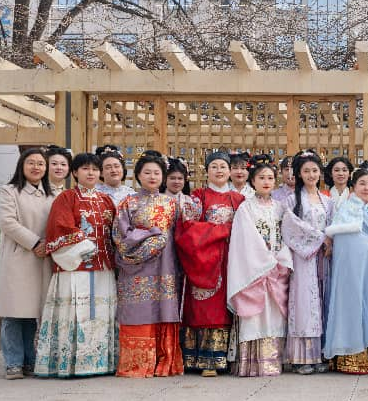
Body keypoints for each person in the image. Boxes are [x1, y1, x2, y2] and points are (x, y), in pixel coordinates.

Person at [35, 152, 118, 377]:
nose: (91, 173)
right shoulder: (66, 198)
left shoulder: (106, 200)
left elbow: (115, 232)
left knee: (101, 314)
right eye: (85, 169)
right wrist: (85, 244)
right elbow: (59, 227)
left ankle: (101, 362)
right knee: (73, 313)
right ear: (74, 172)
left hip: (103, 267)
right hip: (74, 265)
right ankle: (68, 363)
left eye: (95, 169)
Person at [112, 150, 183, 378]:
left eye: (157, 173)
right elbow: (120, 236)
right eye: (147, 172)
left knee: (164, 309)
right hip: (136, 267)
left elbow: (180, 236)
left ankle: (164, 362)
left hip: (166, 266)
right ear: (138, 175)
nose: (152, 177)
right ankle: (137, 364)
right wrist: (152, 237)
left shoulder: (172, 204)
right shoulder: (128, 203)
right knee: (137, 310)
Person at [175, 150, 245, 377]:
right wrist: (222, 231)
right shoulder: (198, 196)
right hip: (204, 258)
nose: (219, 171)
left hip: (230, 259)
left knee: (226, 306)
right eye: (214, 166)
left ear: (230, 171)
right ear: (207, 171)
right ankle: (198, 359)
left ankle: (221, 357)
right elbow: (188, 227)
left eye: (223, 167)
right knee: (202, 306)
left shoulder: (239, 199)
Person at [323, 163, 368, 374]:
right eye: (362, 183)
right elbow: (343, 243)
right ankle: (349, 352)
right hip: (351, 269)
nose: (366, 188)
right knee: (351, 304)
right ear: (353, 187)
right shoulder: (346, 209)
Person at [227, 160, 292, 377]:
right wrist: (264, 260)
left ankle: (273, 361)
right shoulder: (246, 208)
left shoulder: (280, 207)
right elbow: (244, 238)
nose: (266, 182)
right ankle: (252, 363)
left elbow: (287, 235)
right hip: (254, 269)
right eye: (261, 178)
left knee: (275, 316)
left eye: (270, 178)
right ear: (253, 181)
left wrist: (281, 257)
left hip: (277, 267)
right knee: (254, 316)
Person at [0, 148, 54, 380]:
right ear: (22, 165)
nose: (36, 167)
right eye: (31, 162)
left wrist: (48, 243)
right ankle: (13, 363)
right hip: (18, 258)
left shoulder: (52, 195)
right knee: (13, 313)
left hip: (43, 258)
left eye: (41, 163)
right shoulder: (9, 191)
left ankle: (29, 360)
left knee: (31, 313)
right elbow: (7, 222)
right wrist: (35, 242)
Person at [281, 150, 334, 374]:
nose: (311, 175)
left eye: (314, 170)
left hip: (324, 256)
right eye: (306, 171)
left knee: (322, 300)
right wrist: (320, 238)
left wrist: (330, 240)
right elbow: (289, 228)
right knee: (304, 302)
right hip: (303, 257)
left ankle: (320, 353)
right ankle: (302, 357)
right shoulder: (292, 200)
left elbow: (332, 226)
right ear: (299, 174)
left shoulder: (327, 201)